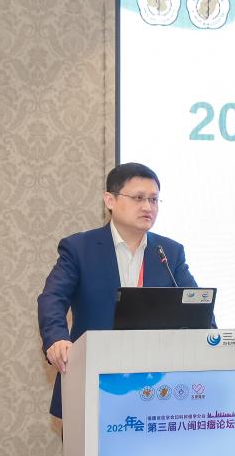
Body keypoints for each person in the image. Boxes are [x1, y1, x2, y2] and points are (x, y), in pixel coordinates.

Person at [37, 162, 202, 420]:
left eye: (154, 200)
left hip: (155, 390)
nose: (148, 207)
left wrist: (214, 344)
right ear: (110, 200)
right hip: (94, 383)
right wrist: (56, 338)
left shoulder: (169, 252)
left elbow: (197, 307)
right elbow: (52, 298)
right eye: (138, 198)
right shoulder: (80, 248)